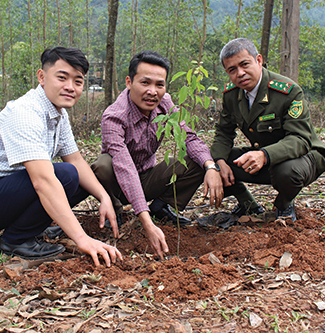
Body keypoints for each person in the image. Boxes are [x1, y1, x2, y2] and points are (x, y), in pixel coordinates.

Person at [0, 47, 122, 267]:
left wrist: (104, 197)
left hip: (8, 190)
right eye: (62, 78)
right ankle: (15, 240)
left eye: (78, 81)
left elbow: (76, 160)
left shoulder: (57, 114)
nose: (70, 87)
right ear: (42, 77)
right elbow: (42, 181)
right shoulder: (25, 112)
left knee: (81, 178)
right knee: (65, 175)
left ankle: (31, 226)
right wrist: (82, 239)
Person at [86, 51, 223, 259]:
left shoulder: (165, 103)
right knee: (103, 164)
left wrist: (211, 167)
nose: (152, 92)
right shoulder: (114, 117)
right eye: (145, 83)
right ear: (129, 82)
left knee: (198, 160)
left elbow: (189, 138)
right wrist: (146, 222)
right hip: (118, 183)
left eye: (159, 84)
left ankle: (163, 205)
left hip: (148, 177)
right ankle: (116, 209)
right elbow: (124, 168)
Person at [210, 38, 325, 221]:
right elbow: (224, 133)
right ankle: (248, 204)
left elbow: (300, 139)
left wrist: (264, 155)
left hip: (304, 157)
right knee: (211, 160)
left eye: (245, 64)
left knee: (286, 171)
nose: (240, 73)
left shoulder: (288, 91)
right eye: (232, 70)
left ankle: (283, 205)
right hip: (264, 158)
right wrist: (219, 161)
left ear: (258, 60)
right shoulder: (231, 94)